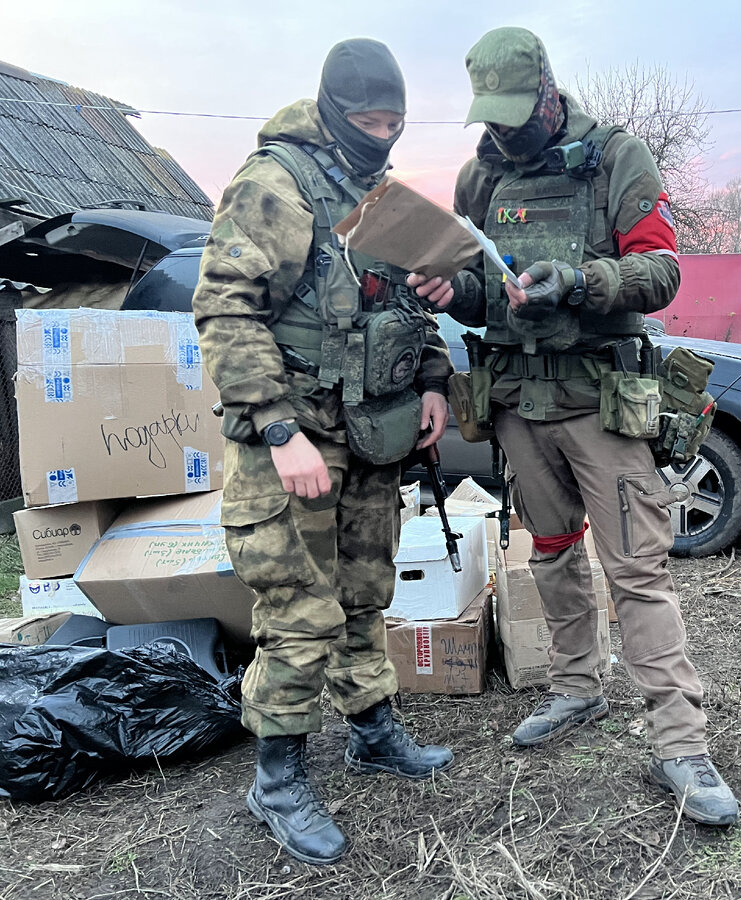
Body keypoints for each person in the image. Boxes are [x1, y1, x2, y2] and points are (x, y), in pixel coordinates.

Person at [409, 26, 739, 827]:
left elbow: (661, 270)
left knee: (636, 571)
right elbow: (481, 287)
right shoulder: (478, 176)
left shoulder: (615, 157)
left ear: (550, 92)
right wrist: (459, 296)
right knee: (552, 555)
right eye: (491, 117)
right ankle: (575, 688)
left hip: (600, 402)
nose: (504, 132)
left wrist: (583, 281)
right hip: (520, 403)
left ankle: (680, 744)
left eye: (518, 114)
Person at [193, 38, 455, 866]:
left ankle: (372, 732)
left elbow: (420, 298)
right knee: (299, 616)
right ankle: (276, 782)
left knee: (364, 594)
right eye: (370, 119)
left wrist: (438, 378)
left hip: (371, 435)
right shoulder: (274, 182)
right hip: (296, 440)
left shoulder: (378, 192)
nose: (384, 133)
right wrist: (278, 428)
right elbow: (225, 311)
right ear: (335, 108)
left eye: (396, 121)